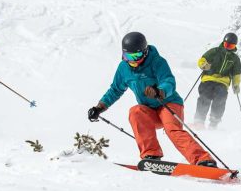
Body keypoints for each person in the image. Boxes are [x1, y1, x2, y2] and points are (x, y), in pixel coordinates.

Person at [87, 32, 214, 166]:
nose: (132, 61)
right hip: (149, 111)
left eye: (136, 56)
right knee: (135, 112)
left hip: (168, 104)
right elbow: (115, 89)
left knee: (172, 130)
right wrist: (99, 107)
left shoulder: (157, 61)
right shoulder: (124, 68)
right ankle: (151, 155)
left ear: (145, 52)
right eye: (127, 56)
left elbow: (169, 81)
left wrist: (159, 91)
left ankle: (203, 159)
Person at [193, 32, 241, 129]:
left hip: (222, 82)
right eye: (226, 44)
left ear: (234, 46)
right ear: (223, 43)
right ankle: (199, 120)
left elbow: (236, 74)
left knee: (221, 98)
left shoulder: (235, 59)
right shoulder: (214, 51)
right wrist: (203, 65)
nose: (228, 47)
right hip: (208, 78)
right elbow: (202, 60)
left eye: (231, 45)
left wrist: (236, 85)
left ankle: (214, 122)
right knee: (205, 96)